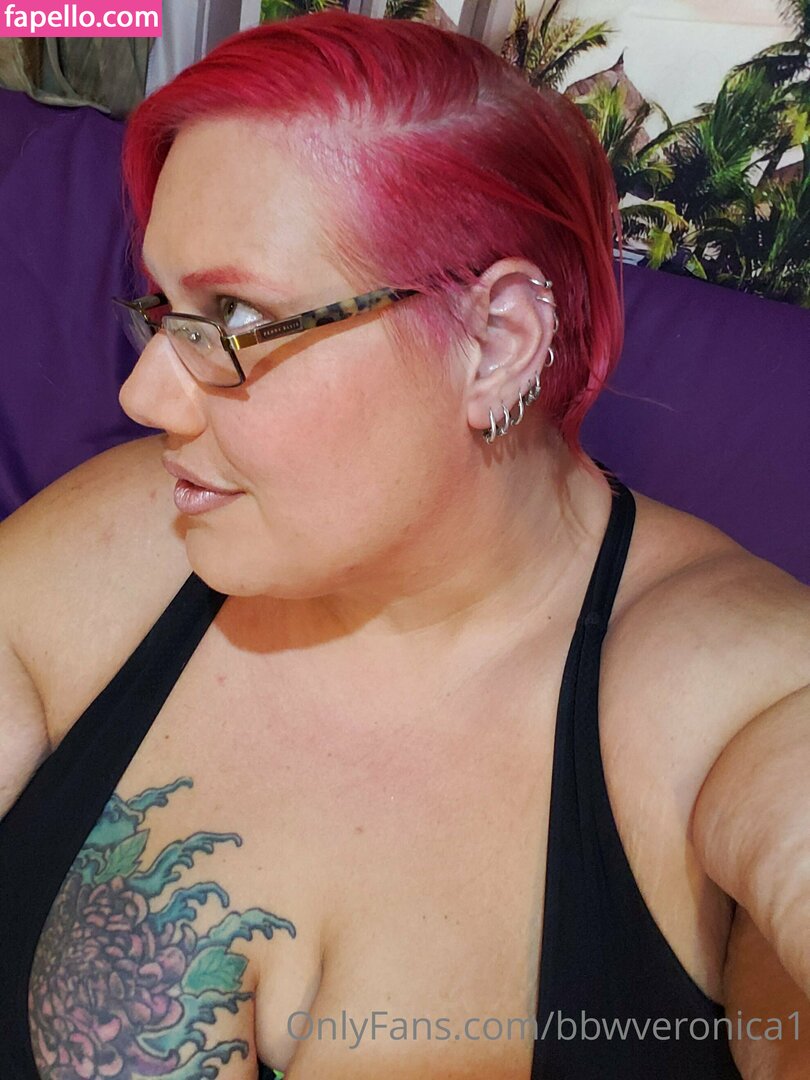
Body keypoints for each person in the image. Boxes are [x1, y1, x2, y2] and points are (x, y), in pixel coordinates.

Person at [0, 11, 807, 1080]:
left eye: (233, 316)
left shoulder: (720, 686)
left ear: (495, 342)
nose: (144, 396)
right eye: (164, 309)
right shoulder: (135, 536)